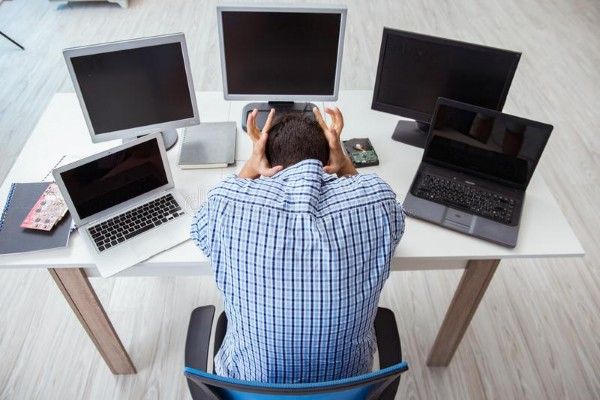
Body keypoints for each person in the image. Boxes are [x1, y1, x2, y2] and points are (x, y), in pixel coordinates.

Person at [191, 107, 405, 383]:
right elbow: (394, 225)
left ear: (266, 159)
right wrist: (343, 162)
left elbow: (199, 230)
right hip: (346, 388)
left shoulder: (226, 203)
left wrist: (251, 166)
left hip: (250, 387)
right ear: (329, 158)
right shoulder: (378, 202)